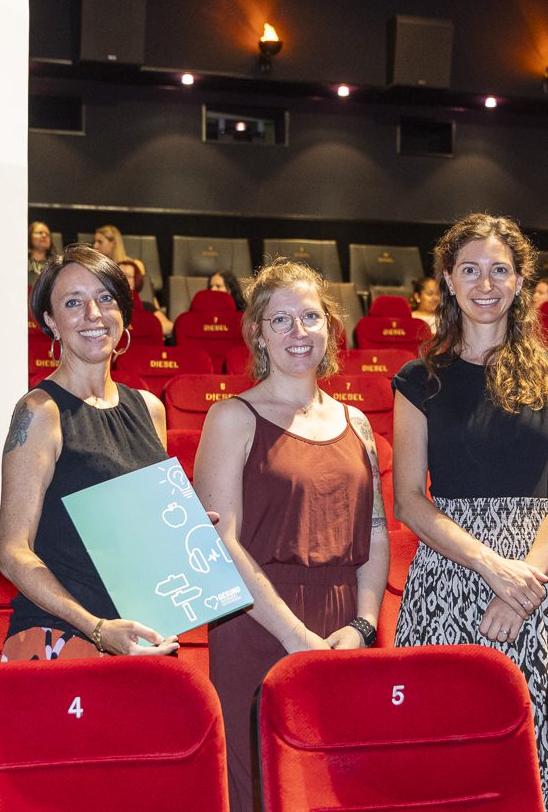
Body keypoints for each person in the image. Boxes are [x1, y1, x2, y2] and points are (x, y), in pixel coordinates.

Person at [392, 213, 548, 812]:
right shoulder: (418, 378)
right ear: (448, 282)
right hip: (451, 575)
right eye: (470, 270)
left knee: (545, 744)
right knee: (452, 739)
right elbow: (408, 498)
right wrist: (492, 569)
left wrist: (519, 583)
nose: (486, 284)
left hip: (540, 576)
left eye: (499, 270)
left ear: (519, 281)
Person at [196, 258, 388, 812]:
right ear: (257, 333)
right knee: (261, 785)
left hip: (342, 623)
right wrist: (295, 638)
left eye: (308, 317)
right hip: (256, 621)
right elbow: (219, 542)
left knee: (336, 785)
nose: (296, 333)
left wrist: (363, 623)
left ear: (329, 325)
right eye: (279, 321)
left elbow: (374, 534)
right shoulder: (231, 417)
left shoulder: (356, 424)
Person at [0, 244, 180, 661]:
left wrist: (180, 536)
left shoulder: (149, 409)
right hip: (60, 637)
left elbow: (139, 543)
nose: (93, 315)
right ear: (51, 322)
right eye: (73, 303)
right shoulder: (39, 412)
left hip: (140, 637)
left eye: (105, 299)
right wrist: (96, 629)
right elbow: (13, 553)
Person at [116, 257, 173, 340]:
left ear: (136, 280)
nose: (122, 279)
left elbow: (169, 327)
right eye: (118, 275)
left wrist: (142, 327)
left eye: (128, 276)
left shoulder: (146, 307)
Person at [27, 220, 56, 285]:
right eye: (40, 233)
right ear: (30, 236)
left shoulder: (55, 265)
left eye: (48, 234)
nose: (44, 235)